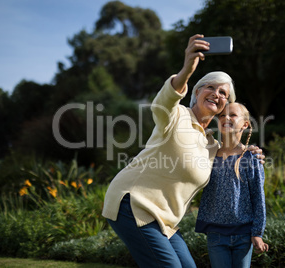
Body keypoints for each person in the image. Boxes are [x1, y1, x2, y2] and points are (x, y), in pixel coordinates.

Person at [102, 34, 265, 268]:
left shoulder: (212, 145)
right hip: (134, 204)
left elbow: (231, 155)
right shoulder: (176, 116)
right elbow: (165, 101)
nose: (216, 94)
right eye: (210, 87)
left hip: (165, 221)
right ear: (196, 92)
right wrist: (187, 68)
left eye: (223, 94)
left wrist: (249, 150)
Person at [195, 102, 269, 268]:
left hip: (243, 234)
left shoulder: (251, 159)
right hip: (215, 234)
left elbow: (258, 197)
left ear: (245, 124)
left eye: (232, 115)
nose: (226, 118)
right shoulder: (208, 155)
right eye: (222, 115)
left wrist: (257, 232)